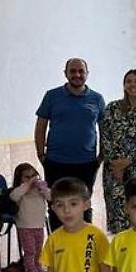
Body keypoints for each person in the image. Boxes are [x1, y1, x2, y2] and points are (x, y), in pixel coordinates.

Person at [35, 58, 106, 229]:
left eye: (81, 71)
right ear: (65, 73)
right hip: (56, 162)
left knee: (84, 205)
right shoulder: (52, 96)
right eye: (73, 71)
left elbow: (105, 130)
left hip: (87, 163)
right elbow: (41, 125)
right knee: (57, 205)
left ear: (87, 73)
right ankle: (59, 249)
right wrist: (41, 154)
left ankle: (85, 248)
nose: (77, 75)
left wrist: (100, 158)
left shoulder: (97, 99)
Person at [99, 69, 136, 234]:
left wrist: (128, 160)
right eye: (129, 81)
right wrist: (115, 164)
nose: (133, 85)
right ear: (124, 85)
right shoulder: (112, 108)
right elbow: (105, 136)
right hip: (114, 168)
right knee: (118, 209)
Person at [10, 163, 49, 272]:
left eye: (33, 176)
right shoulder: (21, 191)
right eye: (27, 177)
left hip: (39, 224)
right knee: (29, 250)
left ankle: (38, 266)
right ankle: (31, 270)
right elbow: (13, 196)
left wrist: (43, 189)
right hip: (25, 225)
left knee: (38, 248)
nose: (31, 179)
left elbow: (51, 196)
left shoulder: (39, 191)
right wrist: (27, 185)